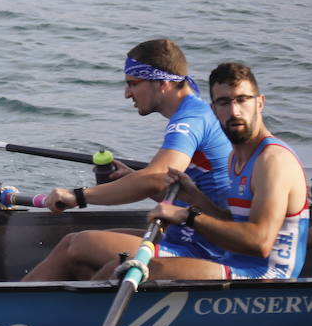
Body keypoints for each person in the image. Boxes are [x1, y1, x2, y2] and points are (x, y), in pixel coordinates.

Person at [22, 38, 234, 281]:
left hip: (206, 249)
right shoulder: (195, 112)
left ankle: (10, 314)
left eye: (133, 84)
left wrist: (78, 196)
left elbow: (155, 178)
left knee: (77, 245)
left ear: (163, 83)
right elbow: (179, 188)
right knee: (78, 255)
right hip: (189, 235)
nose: (127, 94)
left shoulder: (191, 121)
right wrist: (133, 179)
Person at [137, 63, 307, 279]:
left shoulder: (273, 160)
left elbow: (261, 243)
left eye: (243, 99)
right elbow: (237, 224)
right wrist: (197, 199)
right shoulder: (235, 158)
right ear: (214, 110)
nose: (234, 111)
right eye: (224, 102)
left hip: (267, 277)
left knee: (139, 271)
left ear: (260, 103)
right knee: (114, 265)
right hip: (233, 261)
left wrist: (188, 216)